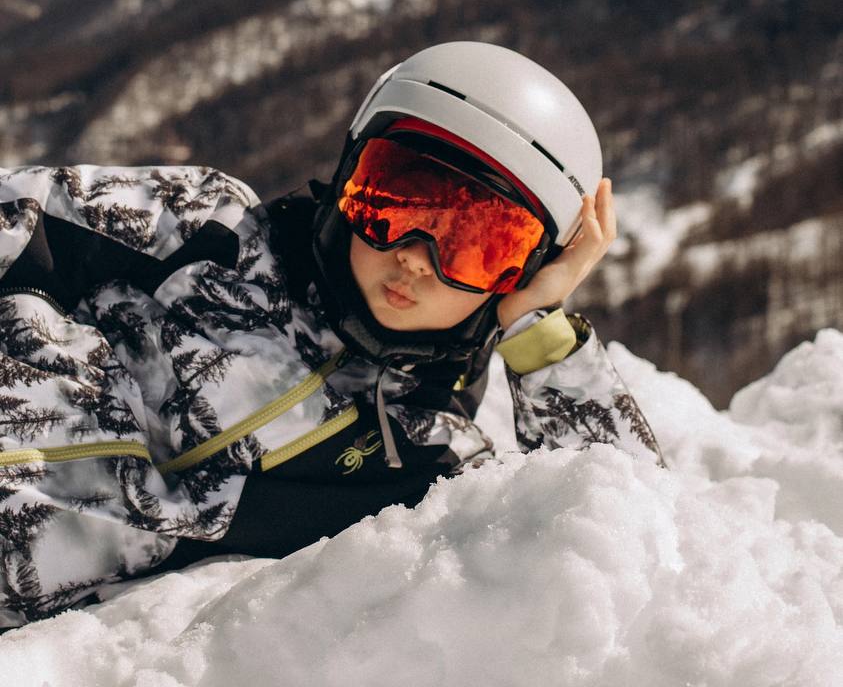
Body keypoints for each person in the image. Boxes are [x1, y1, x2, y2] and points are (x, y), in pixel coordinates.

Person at [0, 41, 661, 628]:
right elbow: (17, 212)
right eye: (392, 202)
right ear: (349, 175)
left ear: (519, 274)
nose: (412, 255)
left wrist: (539, 326)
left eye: (475, 246)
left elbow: (619, 534)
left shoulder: (420, 459)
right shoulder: (209, 229)